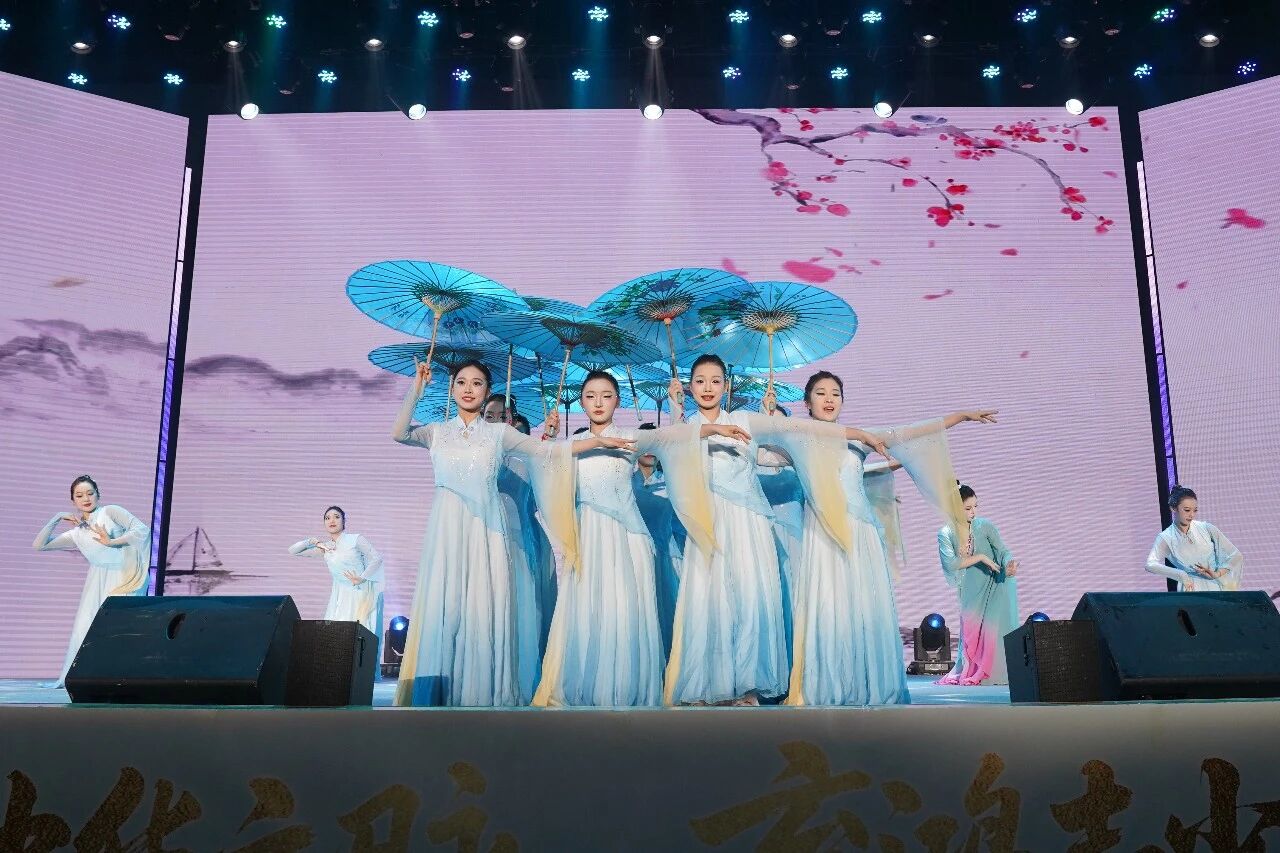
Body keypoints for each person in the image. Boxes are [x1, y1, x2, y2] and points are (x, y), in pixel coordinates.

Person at [391, 357, 633, 707]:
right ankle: (440, 691)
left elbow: (547, 451)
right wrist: (416, 388)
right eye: (462, 383)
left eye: (477, 383)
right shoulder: (436, 432)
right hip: (446, 529)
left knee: (482, 606)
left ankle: (481, 691)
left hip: (487, 529)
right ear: (452, 388)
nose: (469, 389)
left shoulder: (499, 433)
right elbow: (399, 433)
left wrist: (597, 443)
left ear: (488, 390)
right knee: (446, 606)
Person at [663, 355, 891, 706]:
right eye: (700, 381)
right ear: (689, 387)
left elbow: (788, 443)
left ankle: (747, 687)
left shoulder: (744, 420)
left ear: (726, 386)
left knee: (750, 600)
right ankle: (706, 686)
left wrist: (774, 427)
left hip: (748, 522)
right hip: (708, 522)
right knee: (708, 601)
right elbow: (673, 453)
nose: (708, 387)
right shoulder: (685, 426)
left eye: (715, 380)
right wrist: (676, 409)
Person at [760, 371, 997, 703]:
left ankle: (864, 685)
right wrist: (769, 419)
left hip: (860, 532)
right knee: (827, 607)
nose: (829, 399)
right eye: (821, 393)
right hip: (822, 534)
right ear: (807, 402)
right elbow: (761, 456)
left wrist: (960, 416)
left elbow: (913, 432)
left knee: (863, 609)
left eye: (835, 394)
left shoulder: (859, 439)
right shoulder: (798, 439)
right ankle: (826, 686)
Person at [534, 371, 722, 707]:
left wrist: (683, 408)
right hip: (588, 538)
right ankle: (587, 691)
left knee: (625, 611)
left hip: (628, 538)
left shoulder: (631, 438)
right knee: (587, 611)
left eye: (606, 395)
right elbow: (542, 469)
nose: (598, 402)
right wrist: (548, 437)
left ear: (617, 401)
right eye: (590, 396)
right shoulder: (572, 446)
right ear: (582, 402)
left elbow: (677, 437)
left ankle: (626, 691)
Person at [33, 475, 150, 686]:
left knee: (121, 627)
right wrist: (56, 518)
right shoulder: (77, 534)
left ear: (98, 494)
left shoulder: (111, 512)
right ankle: (82, 676)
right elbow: (39, 545)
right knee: (84, 627)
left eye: (90, 493)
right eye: (79, 495)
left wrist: (113, 541)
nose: (86, 499)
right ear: (73, 501)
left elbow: (141, 530)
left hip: (124, 576)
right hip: (97, 580)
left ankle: (124, 676)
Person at [938, 484, 1020, 686]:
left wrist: (1008, 563)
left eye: (976, 506)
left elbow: (1002, 550)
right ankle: (973, 670)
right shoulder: (946, 533)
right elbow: (951, 563)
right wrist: (981, 557)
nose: (973, 512)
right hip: (970, 590)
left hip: (994, 585)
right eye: (968, 508)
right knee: (971, 633)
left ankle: (994, 674)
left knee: (993, 634)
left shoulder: (984, 526)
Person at [287, 506, 385, 654]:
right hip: (340, 596)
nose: (332, 520)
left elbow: (376, 559)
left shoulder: (356, 539)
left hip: (360, 593)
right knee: (337, 636)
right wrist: (312, 541)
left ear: (344, 521)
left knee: (359, 637)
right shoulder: (326, 547)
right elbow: (293, 551)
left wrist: (362, 578)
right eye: (327, 518)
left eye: (336, 517)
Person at [1146, 485, 1243, 592]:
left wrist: (1217, 574)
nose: (1191, 515)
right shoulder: (1166, 537)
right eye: (1187, 510)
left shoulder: (1207, 528)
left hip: (1214, 586)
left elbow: (1235, 555)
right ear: (1173, 508)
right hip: (1189, 587)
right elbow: (1150, 564)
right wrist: (1180, 574)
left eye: (1195, 510)